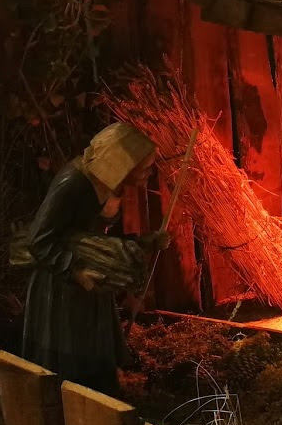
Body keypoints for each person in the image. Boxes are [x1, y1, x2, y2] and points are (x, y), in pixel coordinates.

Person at [21, 122, 170, 395]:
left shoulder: (106, 187)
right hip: (61, 291)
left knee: (95, 357)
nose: (149, 174)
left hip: (89, 288)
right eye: (145, 168)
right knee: (71, 364)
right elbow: (39, 239)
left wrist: (145, 243)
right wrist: (76, 271)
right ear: (124, 163)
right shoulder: (73, 184)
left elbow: (93, 237)